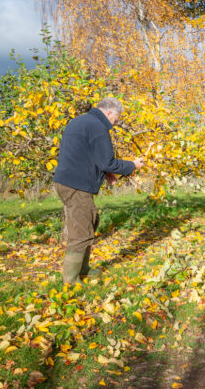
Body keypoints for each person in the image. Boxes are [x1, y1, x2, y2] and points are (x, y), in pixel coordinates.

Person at [53, 97, 144, 284]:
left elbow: (86, 155)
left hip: (66, 181)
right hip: (76, 185)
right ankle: (70, 281)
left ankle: (83, 269)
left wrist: (106, 172)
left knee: (90, 221)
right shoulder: (98, 127)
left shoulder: (80, 121)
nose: (114, 124)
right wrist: (132, 165)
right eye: (116, 119)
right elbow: (106, 161)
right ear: (109, 112)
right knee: (82, 230)